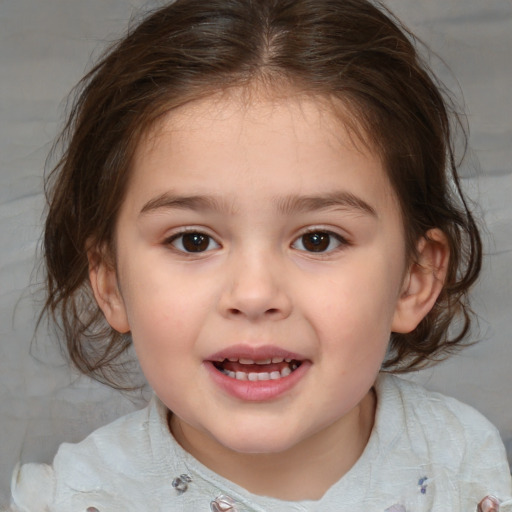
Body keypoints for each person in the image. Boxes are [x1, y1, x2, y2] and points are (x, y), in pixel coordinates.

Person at [6, 0, 512, 510]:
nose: (253, 294)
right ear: (111, 280)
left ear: (414, 278)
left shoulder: (464, 467)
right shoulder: (79, 499)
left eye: (318, 239)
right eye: (193, 240)